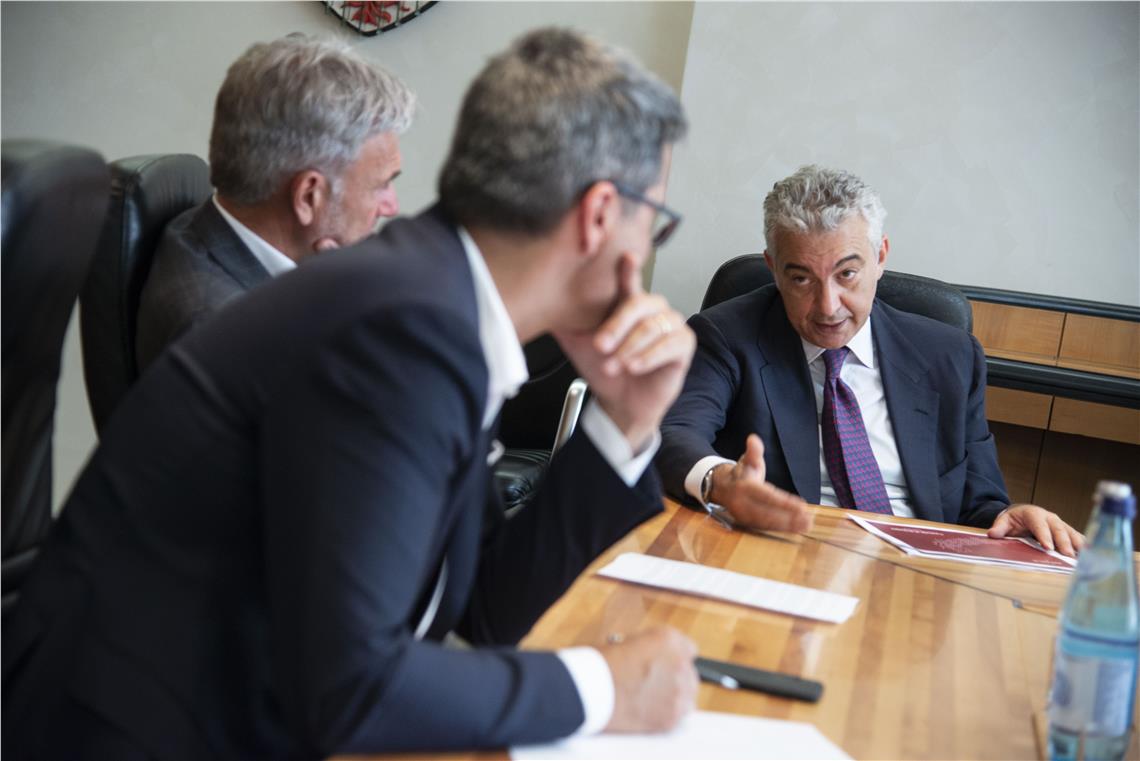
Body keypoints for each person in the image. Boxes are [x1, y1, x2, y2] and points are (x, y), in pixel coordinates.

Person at [3, 28, 700, 758]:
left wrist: (624, 419)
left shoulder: (435, 299)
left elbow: (486, 608)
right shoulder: (402, 332)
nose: (646, 246)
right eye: (654, 221)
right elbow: (351, 690)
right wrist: (601, 689)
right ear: (598, 215)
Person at [657, 165, 1083, 556]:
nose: (828, 306)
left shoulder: (950, 355)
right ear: (773, 268)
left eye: (846, 274)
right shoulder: (726, 336)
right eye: (801, 278)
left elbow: (979, 504)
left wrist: (1009, 516)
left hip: (918, 568)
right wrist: (719, 481)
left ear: (880, 256)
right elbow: (675, 433)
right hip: (787, 551)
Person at [135, 34, 413, 370]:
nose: (391, 206)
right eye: (381, 185)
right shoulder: (237, 341)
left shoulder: (205, 229)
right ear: (309, 197)